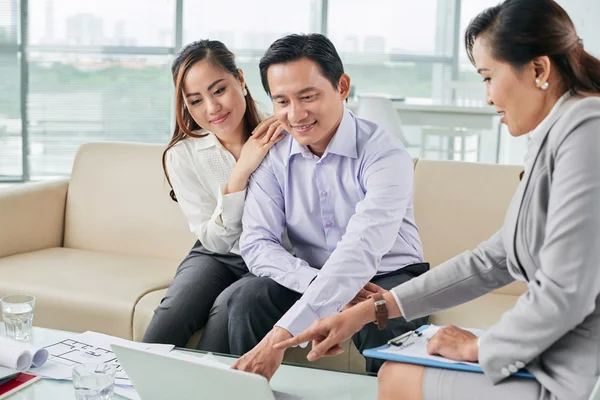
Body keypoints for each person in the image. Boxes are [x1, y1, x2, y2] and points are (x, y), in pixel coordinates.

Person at [274, 1, 600, 399]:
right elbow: (493, 260)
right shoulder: (557, 134)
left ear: (538, 69)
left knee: (399, 377)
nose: (487, 97)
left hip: (564, 369)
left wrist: (481, 347)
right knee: (399, 367)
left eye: (487, 76)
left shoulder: (586, 131)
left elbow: (567, 292)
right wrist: (372, 311)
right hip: (543, 354)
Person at [227, 33, 429, 379]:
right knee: (247, 298)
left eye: (308, 96)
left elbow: (362, 248)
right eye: (282, 102)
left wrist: (284, 331)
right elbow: (257, 243)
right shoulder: (273, 156)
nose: (296, 114)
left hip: (386, 273)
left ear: (342, 86)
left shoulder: (384, 153)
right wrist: (318, 283)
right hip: (310, 272)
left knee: (381, 318)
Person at [142, 39, 285, 353]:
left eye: (218, 90)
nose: (212, 108)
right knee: (171, 317)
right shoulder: (183, 155)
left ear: (241, 79)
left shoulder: (282, 136)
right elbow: (215, 241)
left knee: (225, 313)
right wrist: (240, 173)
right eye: (195, 100)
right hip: (216, 251)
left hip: (271, 259)